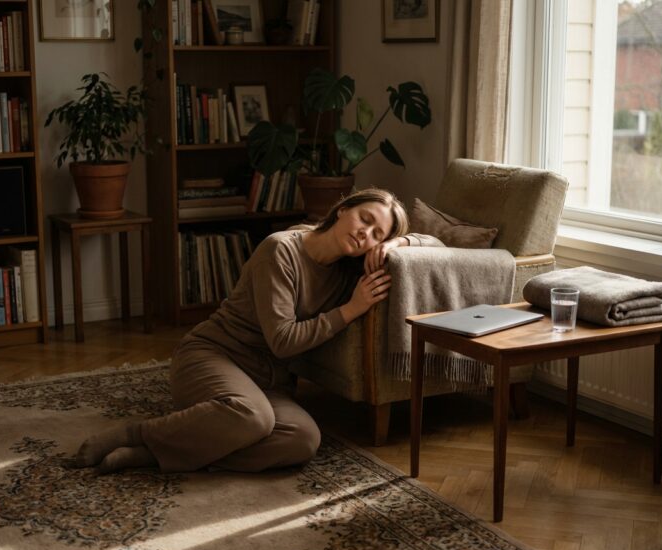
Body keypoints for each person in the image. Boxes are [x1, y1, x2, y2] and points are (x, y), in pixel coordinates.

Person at [75, 188, 442, 474]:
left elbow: (439, 246)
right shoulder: (280, 249)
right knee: (254, 418)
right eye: (365, 219)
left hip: (269, 381)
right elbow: (283, 341)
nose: (366, 234)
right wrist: (350, 310)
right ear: (343, 209)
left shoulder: (350, 270)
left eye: (377, 234)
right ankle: (137, 434)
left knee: (302, 441)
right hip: (212, 356)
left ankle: (158, 455)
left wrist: (400, 242)